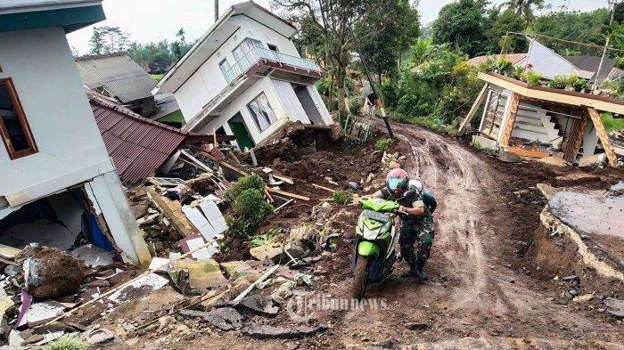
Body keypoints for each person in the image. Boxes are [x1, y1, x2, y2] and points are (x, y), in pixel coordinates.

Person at [374, 168, 436, 280]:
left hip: (422, 220)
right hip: (407, 220)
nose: (396, 188)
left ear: (404, 183)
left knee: (425, 243)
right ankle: (412, 268)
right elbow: (374, 196)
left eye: (399, 185)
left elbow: (420, 210)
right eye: (393, 183)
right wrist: (364, 199)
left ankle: (419, 268)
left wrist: (404, 209)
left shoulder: (411, 191)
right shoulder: (388, 190)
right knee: (404, 247)